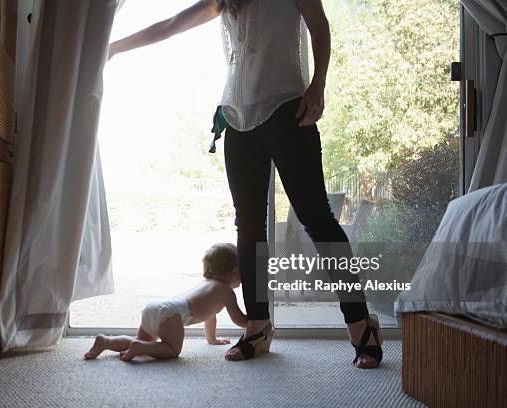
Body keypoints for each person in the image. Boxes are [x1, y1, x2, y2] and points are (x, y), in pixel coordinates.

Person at [106, 0, 383, 368]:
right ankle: (257, 327)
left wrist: (318, 85)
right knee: (248, 226)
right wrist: (110, 48)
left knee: (316, 218)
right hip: (236, 116)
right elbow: (172, 23)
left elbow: (319, 25)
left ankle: (361, 325)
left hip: (288, 107)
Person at [84, 243, 250, 361]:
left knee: (143, 341)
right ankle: (139, 348)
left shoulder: (207, 285)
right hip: (172, 314)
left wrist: (212, 339)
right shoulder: (226, 291)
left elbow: (210, 316)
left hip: (155, 307)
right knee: (171, 350)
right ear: (235, 272)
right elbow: (239, 320)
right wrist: (257, 321)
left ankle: (106, 342)